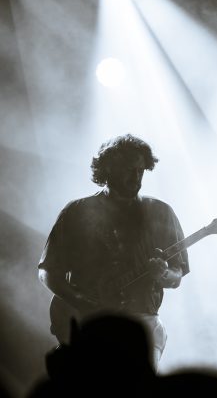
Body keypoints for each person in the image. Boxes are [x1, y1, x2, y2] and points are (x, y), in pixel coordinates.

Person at [38, 134, 189, 370]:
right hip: (87, 323)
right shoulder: (77, 212)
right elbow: (47, 272)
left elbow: (176, 277)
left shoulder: (161, 213)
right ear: (108, 168)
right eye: (129, 169)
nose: (136, 177)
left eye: (141, 170)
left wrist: (163, 274)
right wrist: (80, 301)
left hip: (143, 322)